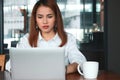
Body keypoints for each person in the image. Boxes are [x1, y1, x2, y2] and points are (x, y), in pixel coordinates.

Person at [6, 0, 86, 74]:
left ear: (56, 19)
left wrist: (64, 70)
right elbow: (10, 64)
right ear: (35, 20)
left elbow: (80, 60)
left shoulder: (68, 38)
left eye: (49, 16)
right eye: (40, 17)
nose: (45, 21)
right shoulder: (26, 40)